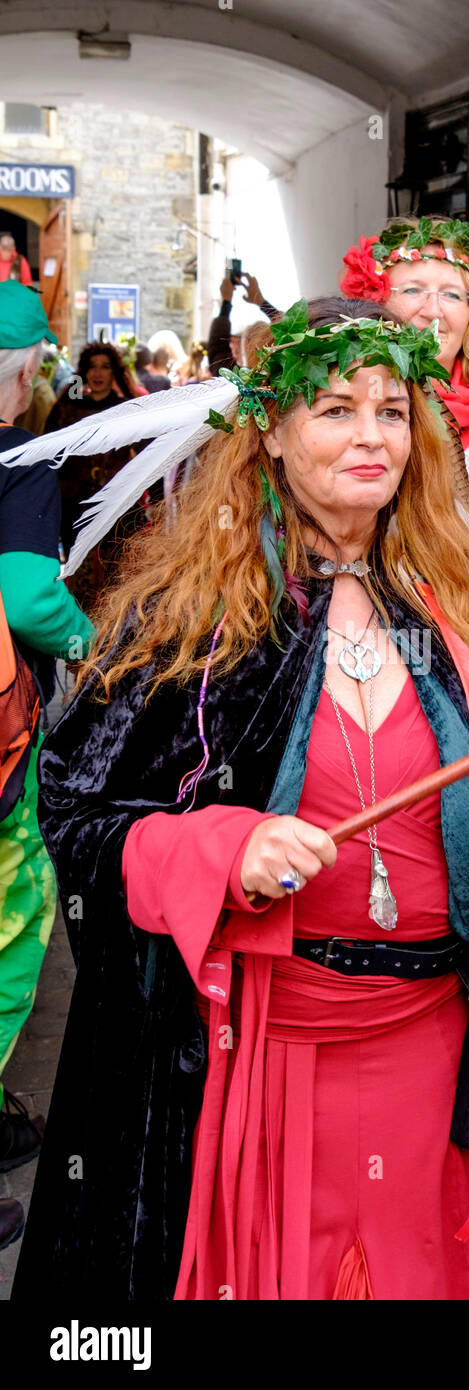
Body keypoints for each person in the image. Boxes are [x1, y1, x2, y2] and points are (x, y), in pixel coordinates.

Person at [2, 296, 469, 1302]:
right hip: (265, 1065)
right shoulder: (188, 617)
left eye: (390, 410)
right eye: (335, 409)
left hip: (441, 1055)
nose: (370, 435)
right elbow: (76, 816)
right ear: (273, 430)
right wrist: (218, 851)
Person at [0, 283, 94, 1253]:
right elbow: (27, 593)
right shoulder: (18, 457)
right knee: (11, 929)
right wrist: (88, 636)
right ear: (25, 376)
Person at [341, 217, 469, 495]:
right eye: (413, 290)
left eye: (452, 295)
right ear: (376, 304)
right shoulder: (345, 404)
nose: (434, 310)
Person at [44, 341, 142, 614]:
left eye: (105, 367)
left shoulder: (128, 409)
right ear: (84, 372)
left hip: (118, 506)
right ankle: (80, 643)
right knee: (79, 579)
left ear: (115, 373)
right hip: (76, 505)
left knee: (116, 577)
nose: (98, 373)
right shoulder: (68, 406)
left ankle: (112, 645)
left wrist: (155, 498)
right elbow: (49, 450)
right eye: (92, 367)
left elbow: (151, 454)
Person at [208, 270, 276, 376]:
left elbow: (217, 350)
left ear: (248, 345)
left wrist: (226, 301)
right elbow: (294, 328)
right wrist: (261, 301)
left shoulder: (240, 382)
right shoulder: (285, 375)